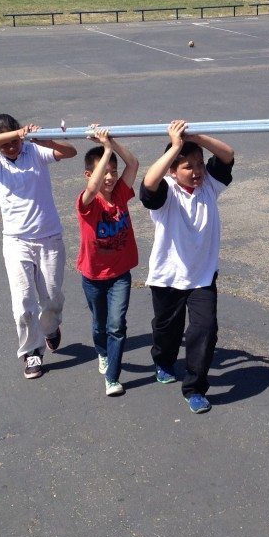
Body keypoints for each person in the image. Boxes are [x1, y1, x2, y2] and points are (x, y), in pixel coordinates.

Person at [138, 120, 235, 414]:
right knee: (167, 330)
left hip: (202, 277)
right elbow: (147, 185)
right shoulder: (166, 192)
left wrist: (195, 137)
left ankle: (194, 387)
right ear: (172, 170)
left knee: (204, 330)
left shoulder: (210, 186)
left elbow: (228, 154)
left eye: (199, 165)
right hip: (168, 276)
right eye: (187, 167)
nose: (196, 172)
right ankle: (164, 361)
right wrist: (175, 147)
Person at [0, 114, 77, 379]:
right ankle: (32, 352)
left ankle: (51, 328)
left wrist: (39, 138)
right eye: (6, 143)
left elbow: (70, 152)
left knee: (52, 297)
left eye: (15, 142)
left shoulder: (33, 150)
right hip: (16, 241)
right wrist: (15, 134)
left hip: (49, 238)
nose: (12, 148)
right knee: (23, 301)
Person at [76, 126, 140, 397]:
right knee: (99, 323)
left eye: (114, 171)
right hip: (92, 276)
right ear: (90, 175)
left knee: (116, 324)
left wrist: (111, 143)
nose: (111, 177)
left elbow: (134, 163)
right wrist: (105, 150)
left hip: (120, 274)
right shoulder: (88, 203)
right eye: (105, 172)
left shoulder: (122, 195)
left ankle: (112, 377)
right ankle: (102, 353)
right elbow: (93, 187)